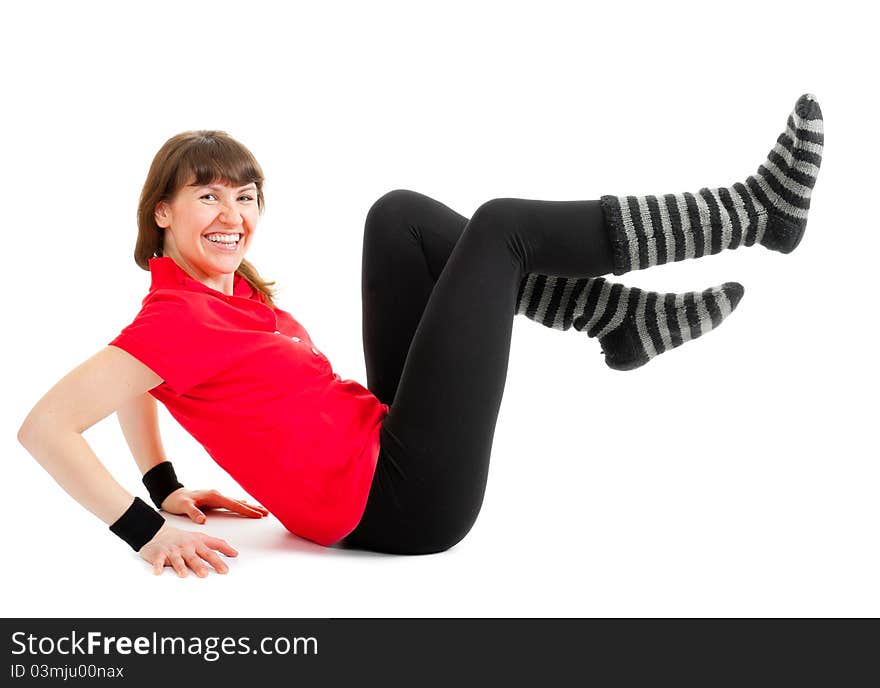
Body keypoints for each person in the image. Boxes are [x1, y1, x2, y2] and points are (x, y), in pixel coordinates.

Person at [17, 94, 824, 576]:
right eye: (208, 198)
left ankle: (618, 320)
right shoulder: (178, 319)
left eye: (247, 196)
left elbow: (140, 382)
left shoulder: (204, 307)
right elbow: (45, 427)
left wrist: (164, 481)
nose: (234, 215)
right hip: (403, 503)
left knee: (397, 216)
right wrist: (145, 530)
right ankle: (750, 213)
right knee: (504, 227)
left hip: (380, 445)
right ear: (163, 209)